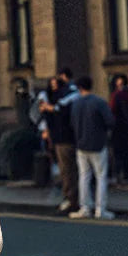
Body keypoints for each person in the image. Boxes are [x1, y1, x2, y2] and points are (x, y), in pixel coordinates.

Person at [69, 75, 116, 219]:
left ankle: (85, 208)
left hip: (81, 144)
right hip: (98, 144)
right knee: (101, 177)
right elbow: (110, 121)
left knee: (84, 176)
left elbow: (72, 123)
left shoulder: (75, 104)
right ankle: (100, 209)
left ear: (79, 88)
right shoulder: (99, 102)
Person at [40, 67, 80, 214]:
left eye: (56, 82)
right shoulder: (62, 95)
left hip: (65, 138)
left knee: (67, 170)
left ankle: (71, 199)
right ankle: (71, 198)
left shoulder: (67, 96)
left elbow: (60, 109)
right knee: (68, 170)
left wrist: (50, 108)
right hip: (62, 138)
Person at [109, 73, 128, 188]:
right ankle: (127, 176)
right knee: (127, 154)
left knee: (118, 154)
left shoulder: (117, 95)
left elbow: (112, 109)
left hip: (119, 128)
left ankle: (119, 178)